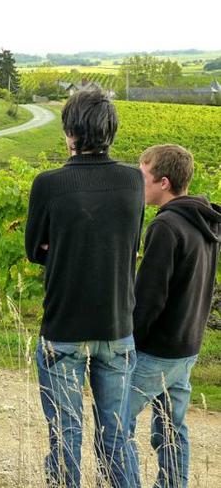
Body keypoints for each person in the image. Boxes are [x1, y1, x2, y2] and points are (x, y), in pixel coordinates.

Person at [25, 90, 144, 487]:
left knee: (66, 437)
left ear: (71, 131)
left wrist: (62, 248)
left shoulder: (49, 184)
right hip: (117, 326)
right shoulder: (132, 181)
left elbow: (34, 250)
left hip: (63, 329)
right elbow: (130, 243)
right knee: (116, 438)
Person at [127, 144, 221, 488]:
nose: (139, 184)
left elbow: (149, 297)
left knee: (116, 424)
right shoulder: (206, 221)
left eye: (143, 175)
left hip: (158, 350)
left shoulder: (166, 227)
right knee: (171, 426)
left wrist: (129, 341)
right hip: (188, 344)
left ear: (163, 182)